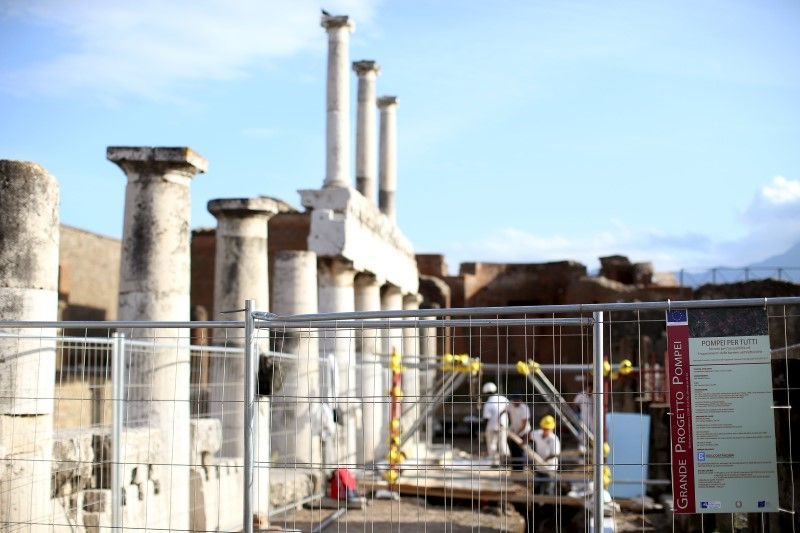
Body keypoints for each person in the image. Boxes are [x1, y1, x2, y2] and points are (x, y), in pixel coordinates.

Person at [531, 415, 561, 495]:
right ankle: (536, 502)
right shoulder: (537, 434)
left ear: (551, 429)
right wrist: (524, 441)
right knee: (536, 489)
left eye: (547, 429)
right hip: (539, 468)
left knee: (548, 490)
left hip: (550, 468)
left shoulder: (554, 439)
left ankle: (549, 502)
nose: (545, 430)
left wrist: (544, 460)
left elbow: (555, 454)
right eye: (544, 428)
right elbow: (529, 436)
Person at [481, 382, 509, 464]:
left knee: (492, 444)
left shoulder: (488, 403)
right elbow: (510, 411)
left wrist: (483, 429)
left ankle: (495, 462)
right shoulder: (504, 399)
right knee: (503, 443)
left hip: (492, 427)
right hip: (503, 426)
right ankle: (506, 461)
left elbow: (486, 418)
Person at [502, 394, 531, 470]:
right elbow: (503, 411)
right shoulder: (510, 405)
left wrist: (517, 434)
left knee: (521, 450)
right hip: (514, 431)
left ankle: (520, 468)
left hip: (524, 432)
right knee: (513, 449)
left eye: (517, 400)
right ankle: (515, 468)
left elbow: (524, 424)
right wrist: (500, 419)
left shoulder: (524, 408)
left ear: (520, 400)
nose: (516, 402)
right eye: (515, 400)